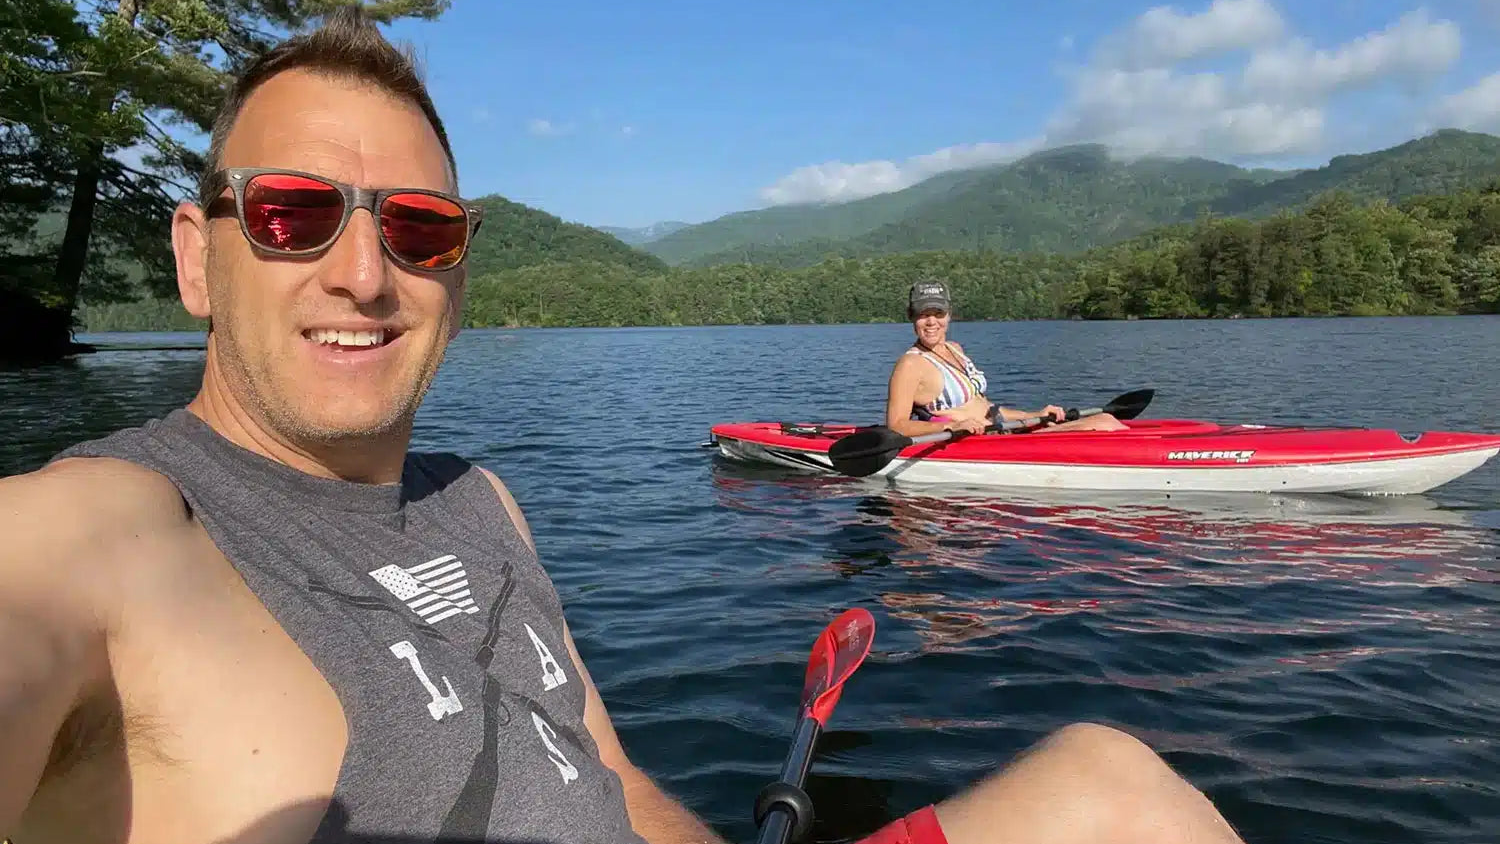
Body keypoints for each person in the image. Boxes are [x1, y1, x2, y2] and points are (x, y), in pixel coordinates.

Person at [0, 8, 1244, 844]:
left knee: (1110, 777)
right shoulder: (105, 532)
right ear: (197, 256)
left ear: (458, 274)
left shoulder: (482, 500)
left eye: (419, 227)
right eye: (291, 213)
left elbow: (617, 784)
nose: (365, 274)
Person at [885, 280, 1128, 438]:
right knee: (1104, 424)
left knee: (1106, 418)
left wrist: (1033, 415)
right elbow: (896, 425)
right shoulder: (911, 364)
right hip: (969, 442)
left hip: (998, 430)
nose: (931, 322)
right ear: (911, 316)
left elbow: (987, 409)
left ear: (949, 315)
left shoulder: (955, 349)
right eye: (923, 314)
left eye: (938, 313)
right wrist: (950, 426)